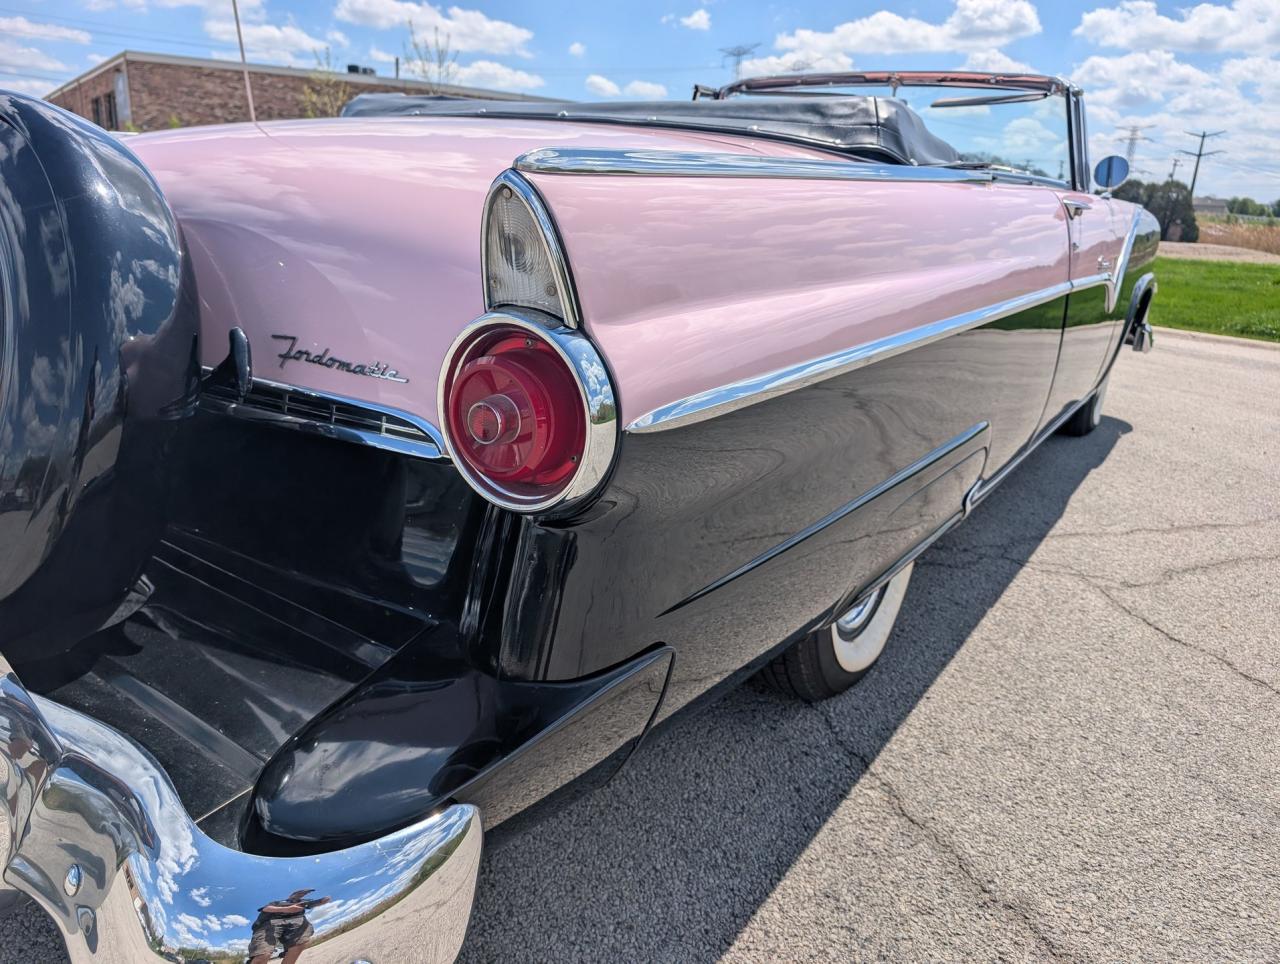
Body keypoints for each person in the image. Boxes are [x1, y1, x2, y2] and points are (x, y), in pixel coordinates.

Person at [247, 888, 331, 964]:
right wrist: (287, 909)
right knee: (263, 955)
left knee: (299, 943)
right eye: (296, 894)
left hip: (294, 922)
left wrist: (323, 900)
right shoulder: (279, 902)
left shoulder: (303, 902)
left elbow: (317, 902)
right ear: (290, 895)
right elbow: (266, 908)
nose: (299, 896)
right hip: (270, 923)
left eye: (301, 895)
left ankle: (289, 949)